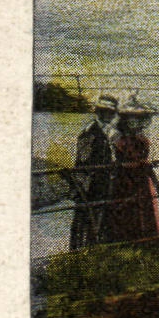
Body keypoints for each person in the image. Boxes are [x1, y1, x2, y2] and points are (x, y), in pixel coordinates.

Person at [67, 95, 119, 249]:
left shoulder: (109, 132)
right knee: (85, 219)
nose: (108, 115)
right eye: (105, 111)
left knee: (102, 217)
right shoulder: (89, 132)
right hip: (90, 183)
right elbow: (82, 160)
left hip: (104, 182)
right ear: (98, 112)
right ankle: (80, 250)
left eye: (111, 112)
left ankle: (97, 248)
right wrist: (82, 185)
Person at [107, 99, 159, 243]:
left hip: (141, 179)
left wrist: (146, 164)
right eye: (130, 119)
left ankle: (146, 237)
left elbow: (143, 156)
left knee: (143, 207)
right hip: (125, 179)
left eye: (137, 119)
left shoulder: (142, 139)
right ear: (124, 120)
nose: (134, 122)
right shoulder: (119, 139)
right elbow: (127, 157)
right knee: (126, 208)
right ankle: (126, 238)